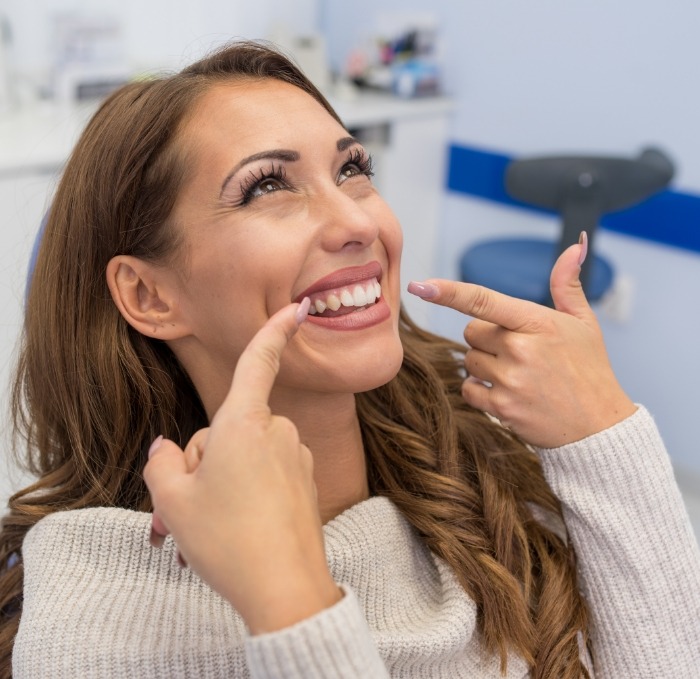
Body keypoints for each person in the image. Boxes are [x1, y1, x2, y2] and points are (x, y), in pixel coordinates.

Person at [0, 40, 698, 679]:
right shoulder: (97, 618)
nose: (361, 223)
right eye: (268, 186)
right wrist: (291, 600)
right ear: (149, 294)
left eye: (354, 170)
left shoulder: (489, 475)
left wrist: (604, 435)